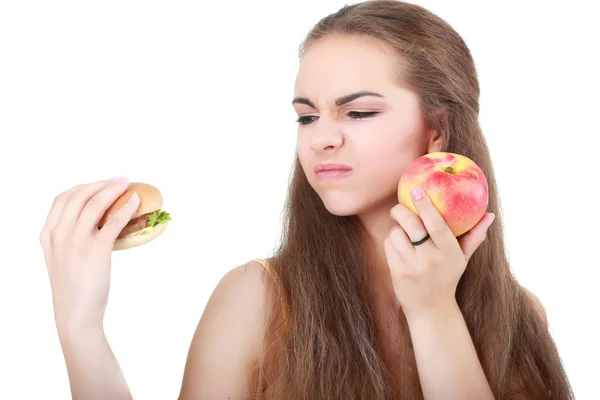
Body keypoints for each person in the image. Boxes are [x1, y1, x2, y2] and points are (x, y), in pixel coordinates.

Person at [40, 1, 574, 399]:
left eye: (358, 112)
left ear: (437, 132)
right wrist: (80, 327)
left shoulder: (520, 315)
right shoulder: (258, 300)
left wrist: (434, 313)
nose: (321, 138)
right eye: (307, 116)